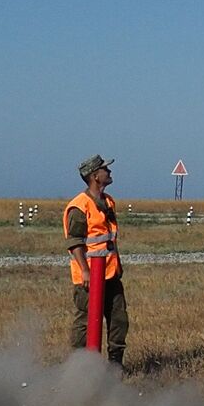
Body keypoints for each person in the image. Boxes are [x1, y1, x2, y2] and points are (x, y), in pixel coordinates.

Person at [65, 154, 130, 368]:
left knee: (119, 320)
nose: (109, 172)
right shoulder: (79, 207)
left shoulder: (108, 201)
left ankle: (115, 366)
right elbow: (75, 243)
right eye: (105, 170)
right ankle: (81, 368)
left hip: (111, 273)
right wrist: (85, 271)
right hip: (89, 277)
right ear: (95, 176)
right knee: (86, 322)